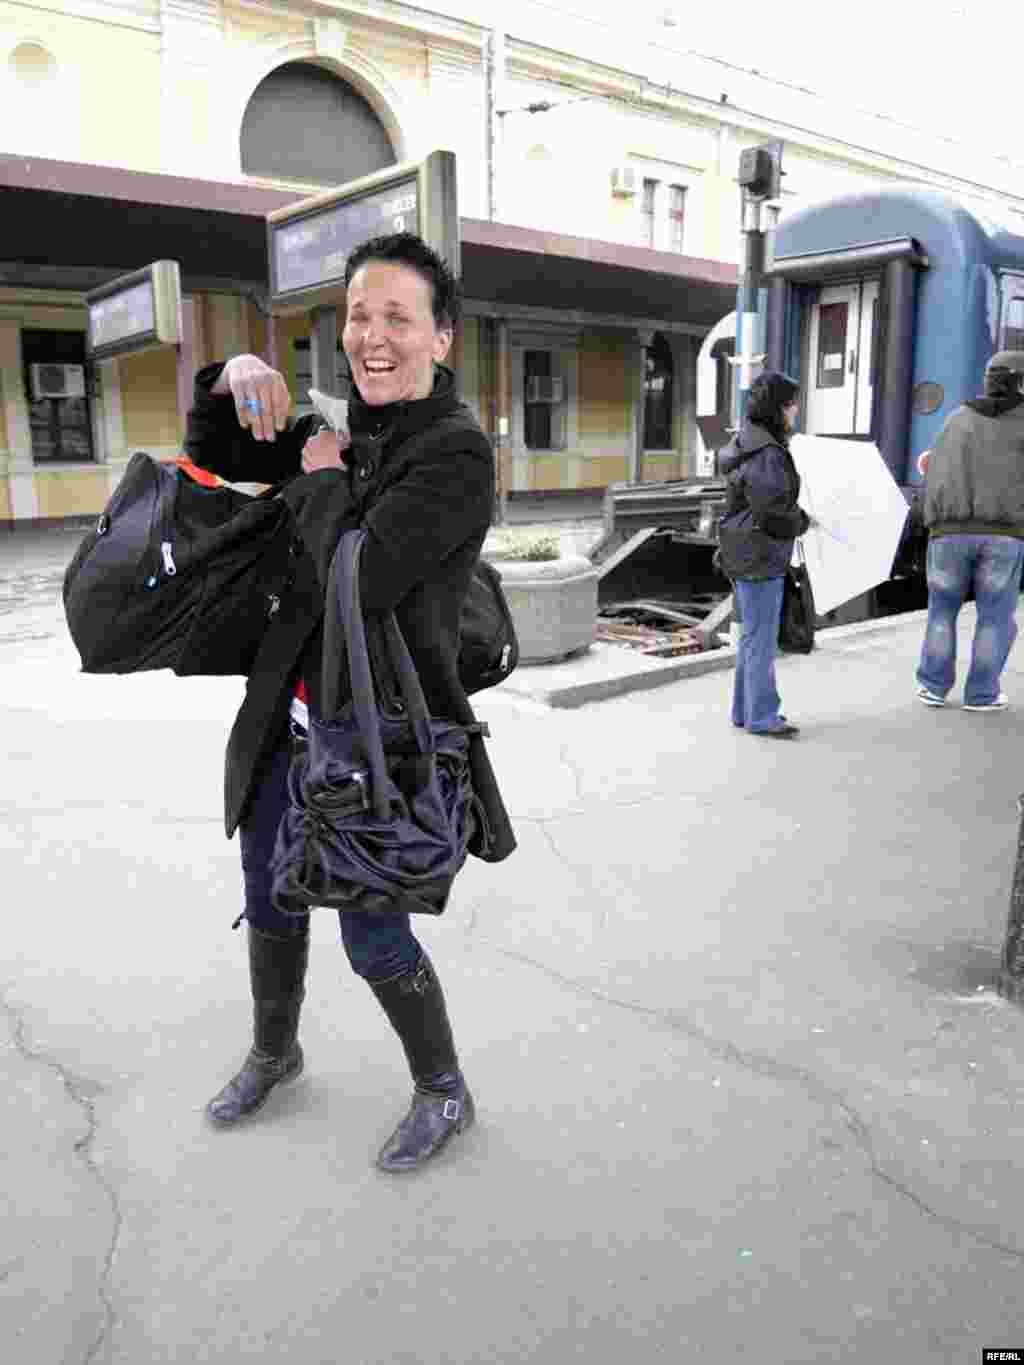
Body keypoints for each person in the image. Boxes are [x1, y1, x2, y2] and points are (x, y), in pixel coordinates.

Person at [183, 231, 515, 1172]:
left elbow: (356, 578)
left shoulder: (453, 457)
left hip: (378, 744)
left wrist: (322, 474)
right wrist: (232, 374)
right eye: (358, 316)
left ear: (441, 338)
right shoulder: (345, 428)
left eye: (396, 318)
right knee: (271, 897)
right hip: (290, 722)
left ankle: (443, 1087)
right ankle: (275, 1050)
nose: (371, 336)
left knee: (374, 933)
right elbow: (210, 450)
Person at [915, 350, 1024, 711]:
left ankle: (932, 687)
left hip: (950, 531)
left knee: (942, 610)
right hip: (1004, 533)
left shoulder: (958, 417)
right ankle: (981, 694)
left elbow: (931, 465)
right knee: (994, 616)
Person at [717, 372, 810, 739]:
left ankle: (745, 710)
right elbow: (773, 512)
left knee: (750, 637)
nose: (796, 410)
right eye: (792, 403)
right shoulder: (769, 453)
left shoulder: (745, 443)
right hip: (759, 552)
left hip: (741, 549)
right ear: (779, 408)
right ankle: (763, 716)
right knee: (760, 639)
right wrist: (802, 521)